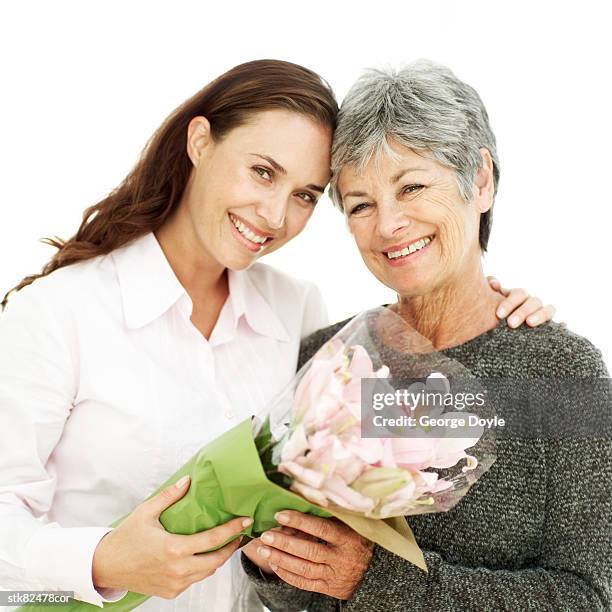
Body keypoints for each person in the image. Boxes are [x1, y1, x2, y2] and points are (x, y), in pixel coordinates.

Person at [0, 59, 553, 611]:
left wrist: (490, 316)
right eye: (263, 172)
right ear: (200, 141)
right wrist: (103, 561)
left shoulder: (296, 312)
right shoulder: (58, 313)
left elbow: (377, 429)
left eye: (306, 195)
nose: (273, 215)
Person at [241, 61, 612, 611]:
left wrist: (380, 580)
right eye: (362, 205)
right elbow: (289, 594)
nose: (388, 225)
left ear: (481, 180)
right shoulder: (327, 359)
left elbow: (589, 597)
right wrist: (269, 559)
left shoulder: (557, 372)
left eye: (412, 186)